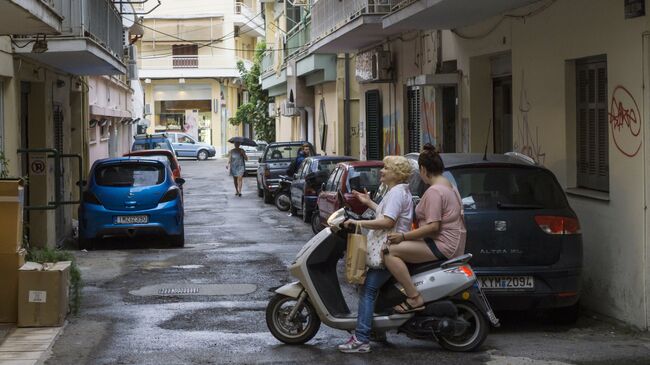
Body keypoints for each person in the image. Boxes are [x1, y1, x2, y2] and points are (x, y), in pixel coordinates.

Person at [337, 155, 414, 353]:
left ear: (396, 174)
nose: (381, 171)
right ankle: (376, 331)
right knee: (371, 290)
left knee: (368, 291)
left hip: (387, 250)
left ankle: (362, 339)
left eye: (386, 168)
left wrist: (358, 223)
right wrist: (368, 202)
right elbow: (386, 214)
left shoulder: (397, 192)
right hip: (386, 247)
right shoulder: (397, 190)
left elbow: (387, 222)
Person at [385, 143, 466, 314]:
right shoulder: (450, 186)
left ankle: (414, 297)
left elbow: (433, 227)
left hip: (442, 245)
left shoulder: (435, 191)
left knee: (388, 251)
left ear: (423, 169)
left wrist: (403, 236)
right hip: (451, 243)